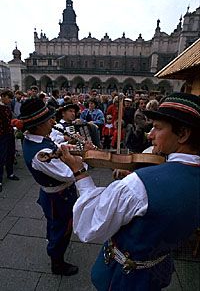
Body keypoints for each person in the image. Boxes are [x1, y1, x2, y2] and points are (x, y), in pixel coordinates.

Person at [59, 92, 200, 290]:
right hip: (159, 269)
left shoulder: (139, 185)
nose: (150, 135)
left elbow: (91, 224)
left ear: (183, 134)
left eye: (158, 128)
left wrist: (79, 172)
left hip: (124, 278)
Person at [17, 98, 80, 276]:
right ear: (38, 125)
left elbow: (54, 147)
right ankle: (57, 263)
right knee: (62, 228)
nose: (54, 121)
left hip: (55, 195)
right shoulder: (39, 153)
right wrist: (84, 160)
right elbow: (68, 174)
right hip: (59, 197)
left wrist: (65, 148)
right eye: (49, 120)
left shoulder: (36, 139)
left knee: (54, 225)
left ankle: (52, 242)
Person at [0, 90, 20, 192]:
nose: (10, 100)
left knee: (10, 154)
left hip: (9, 134)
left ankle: (10, 173)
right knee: (1, 157)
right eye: (9, 97)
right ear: (3, 96)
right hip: (1, 135)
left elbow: (12, 118)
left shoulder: (7, 107)